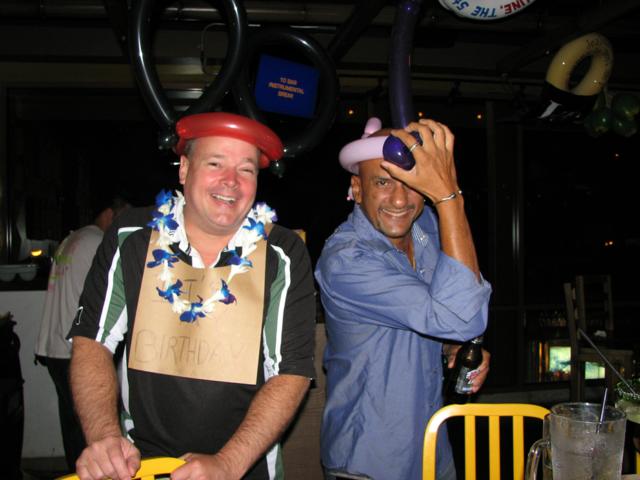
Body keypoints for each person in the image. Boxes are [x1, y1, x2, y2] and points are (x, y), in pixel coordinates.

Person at [67, 112, 316, 480]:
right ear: (184, 169)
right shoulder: (131, 236)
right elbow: (92, 340)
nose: (231, 181)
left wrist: (228, 463)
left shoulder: (283, 252)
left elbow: (291, 372)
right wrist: (104, 438)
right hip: (138, 464)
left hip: (245, 468)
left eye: (246, 169)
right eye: (215, 163)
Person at [315, 117, 492, 479]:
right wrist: (450, 198)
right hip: (370, 460)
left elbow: (454, 305)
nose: (399, 200)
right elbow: (461, 317)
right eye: (382, 182)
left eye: (411, 183)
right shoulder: (346, 260)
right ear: (357, 188)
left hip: (432, 448)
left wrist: (450, 347)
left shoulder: (426, 228)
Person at [35, 195, 129, 471]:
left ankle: (73, 471)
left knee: (71, 424)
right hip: (75, 348)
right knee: (90, 429)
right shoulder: (98, 242)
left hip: (52, 344)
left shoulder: (72, 238)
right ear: (111, 214)